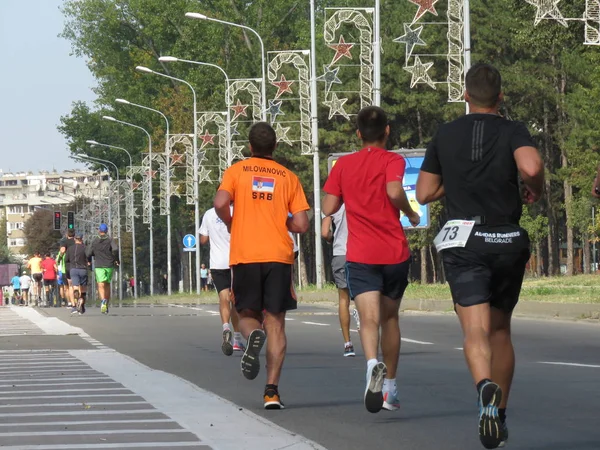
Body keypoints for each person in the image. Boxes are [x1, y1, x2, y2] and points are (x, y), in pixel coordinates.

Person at [416, 63, 544, 449]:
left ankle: (483, 386)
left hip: (463, 241)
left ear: (466, 96)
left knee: (475, 329)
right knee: (501, 329)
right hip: (505, 238)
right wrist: (533, 186)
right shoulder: (512, 129)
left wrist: (454, 182)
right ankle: (499, 413)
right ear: (501, 97)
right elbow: (531, 165)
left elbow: (422, 193)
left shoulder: (445, 133)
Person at [322, 106, 420, 414]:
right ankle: (390, 387)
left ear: (358, 133)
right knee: (390, 319)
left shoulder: (343, 165)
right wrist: (410, 212)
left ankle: (371, 364)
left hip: (361, 255)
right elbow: (394, 191)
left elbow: (328, 206)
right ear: (387, 131)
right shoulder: (394, 160)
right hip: (393, 252)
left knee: (368, 319)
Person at [214, 122, 310, 410]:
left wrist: (232, 221)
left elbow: (220, 202)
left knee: (244, 313)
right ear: (275, 146)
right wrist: (284, 221)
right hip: (279, 256)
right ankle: (271, 392)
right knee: (277, 322)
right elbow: (302, 224)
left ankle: (251, 336)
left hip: (245, 254)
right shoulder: (288, 176)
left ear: (250, 146)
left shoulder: (237, 171)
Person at [200, 206, 245, 355]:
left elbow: (203, 240)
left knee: (223, 298)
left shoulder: (209, 213)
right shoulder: (238, 211)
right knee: (235, 301)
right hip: (236, 261)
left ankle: (226, 327)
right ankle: (237, 340)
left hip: (217, 264)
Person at [321, 204, 357, 357]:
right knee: (364, 296)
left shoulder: (332, 204)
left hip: (340, 253)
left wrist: (332, 239)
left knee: (343, 299)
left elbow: (324, 233)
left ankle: (348, 344)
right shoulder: (357, 195)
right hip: (360, 253)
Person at [86, 223, 119, 314]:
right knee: (107, 284)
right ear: (107, 231)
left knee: (100, 285)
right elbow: (115, 249)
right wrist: (116, 259)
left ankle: (103, 301)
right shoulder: (110, 239)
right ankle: (106, 304)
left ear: (99, 231)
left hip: (99, 265)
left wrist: (89, 260)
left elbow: (88, 253)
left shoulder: (95, 241)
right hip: (109, 265)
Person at [66, 232, 88, 315]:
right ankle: (82, 304)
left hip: (73, 269)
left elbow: (66, 260)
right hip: (83, 269)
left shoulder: (70, 248)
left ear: (75, 239)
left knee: (75, 287)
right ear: (82, 239)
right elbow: (88, 257)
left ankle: (76, 301)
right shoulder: (85, 248)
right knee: (83, 289)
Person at [59, 230, 76, 308]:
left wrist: (61, 256)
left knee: (69, 286)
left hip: (68, 265)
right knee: (77, 284)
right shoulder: (77, 241)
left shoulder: (64, 241)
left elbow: (62, 250)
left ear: (67, 234)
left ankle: (70, 302)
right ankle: (78, 299)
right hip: (77, 263)